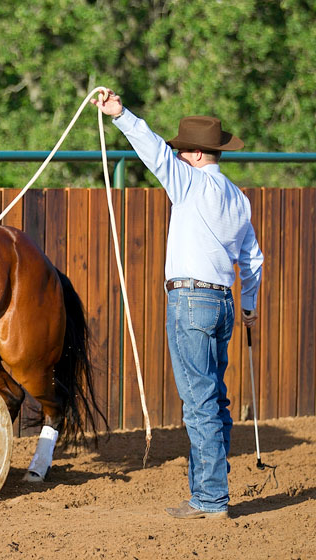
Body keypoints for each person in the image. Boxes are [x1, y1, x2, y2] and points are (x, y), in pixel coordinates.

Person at [92, 88, 264, 520]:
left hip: (191, 300)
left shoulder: (189, 183)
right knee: (215, 400)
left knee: (200, 402)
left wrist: (121, 114)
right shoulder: (238, 199)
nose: (179, 156)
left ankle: (209, 499)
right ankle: (209, 492)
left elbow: (152, 151)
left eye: (183, 151)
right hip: (224, 302)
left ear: (195, 154)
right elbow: (253, 259)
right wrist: (248, 304)